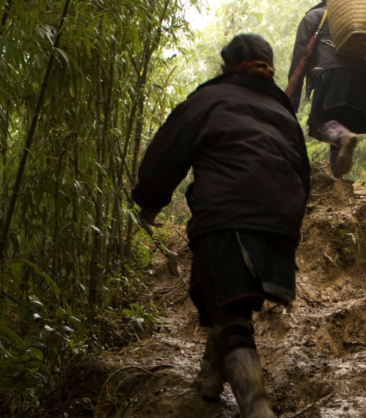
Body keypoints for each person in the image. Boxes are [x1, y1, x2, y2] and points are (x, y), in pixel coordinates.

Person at [132, 34, 310, 418]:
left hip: (228, 213)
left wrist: (149, 202)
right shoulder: (283, 112)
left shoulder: (207, 99)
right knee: (231, 298)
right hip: (281, 219)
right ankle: (212, 377)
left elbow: (167, 153)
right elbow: (302, 173)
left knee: (230, 315)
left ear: (227, 65)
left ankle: (256, 407)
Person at [288, 0, 366, 179]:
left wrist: (293, 95)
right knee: (340, 129)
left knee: (320, 127)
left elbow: (301, 57)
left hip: (331, 77)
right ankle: (337, 181)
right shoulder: (361, 22)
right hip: (365, 81)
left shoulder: (315, 17)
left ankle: (343, 139)